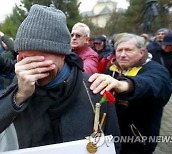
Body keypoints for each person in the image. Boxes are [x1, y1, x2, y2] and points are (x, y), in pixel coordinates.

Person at [0, 4, 121, 153]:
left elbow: (113, 145)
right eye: (22, 56)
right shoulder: (18, 87)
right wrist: (19, 96)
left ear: (63, 54)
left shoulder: (95, 90)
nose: (28, 66)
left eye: (38, 57)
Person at [89, 33, 172, 154]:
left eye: (128, 50)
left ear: (142, 53)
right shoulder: (111, 69)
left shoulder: (155, 69)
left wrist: (126, 85)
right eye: (119, 50)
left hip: (137, 138)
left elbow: (154, 85)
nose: (122, 55)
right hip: (111, 135)